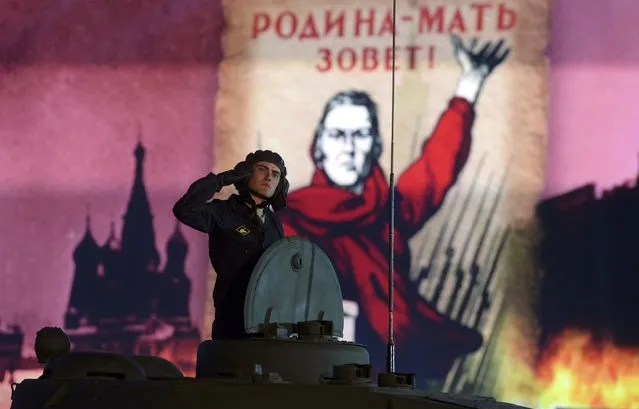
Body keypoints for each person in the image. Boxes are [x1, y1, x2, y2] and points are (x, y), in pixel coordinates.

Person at [277, 35, 510, 382]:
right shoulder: (291, 218)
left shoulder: (389, 212)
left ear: (374, 146)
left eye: (360, 135)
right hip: (322, 380)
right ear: (320, 145)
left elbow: (437, 166)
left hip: (399, 371)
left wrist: (470, 84)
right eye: (338, 135)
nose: (349, 147)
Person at [172, 150, 289, 339]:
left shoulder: (275, 223)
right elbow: (184, 209)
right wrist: (221, 180)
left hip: (267, 322)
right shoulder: (223, 212)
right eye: (262, 169)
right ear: (246, 173)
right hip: (232, 319)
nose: (269, 177)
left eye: (275, 174)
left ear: (280, 184)